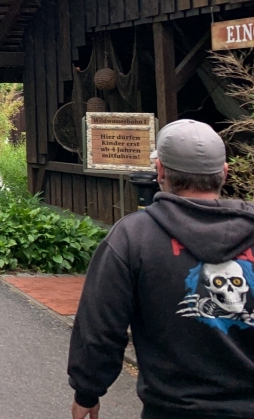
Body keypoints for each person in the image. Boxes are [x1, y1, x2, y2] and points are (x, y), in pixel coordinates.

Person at [68, 119, 254, 419]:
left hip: (171, 409)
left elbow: (101, 326)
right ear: (224, 172)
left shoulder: (134, 237)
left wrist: (87, 390)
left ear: (161, 172)